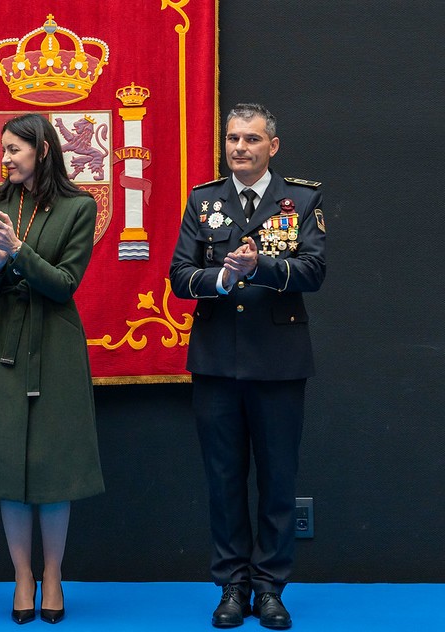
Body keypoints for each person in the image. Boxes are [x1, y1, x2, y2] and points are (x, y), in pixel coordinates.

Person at [169, 104, 326, 630]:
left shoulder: (301, 199)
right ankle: (232, 585)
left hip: (278, 364)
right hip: (216, 362)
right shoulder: (203, 199)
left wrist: (262, 265)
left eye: (252, 139)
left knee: (278, 481)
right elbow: (179, 275)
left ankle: (271, 588)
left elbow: (313, 269)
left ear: (272, 147)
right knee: (224, 479)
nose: (239, 147)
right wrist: (220, 278)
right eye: (233, 138)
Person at [0, 113, 104, 625]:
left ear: (43, 150)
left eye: (15, 148)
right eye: (3, 148)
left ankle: (54, 573)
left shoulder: (80, 206)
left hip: (54, 343)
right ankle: (22, 575)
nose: (6, 158)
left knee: (52, 467)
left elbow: (64, 283)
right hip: (1, 347)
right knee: (8, 466)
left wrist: (18, 252)